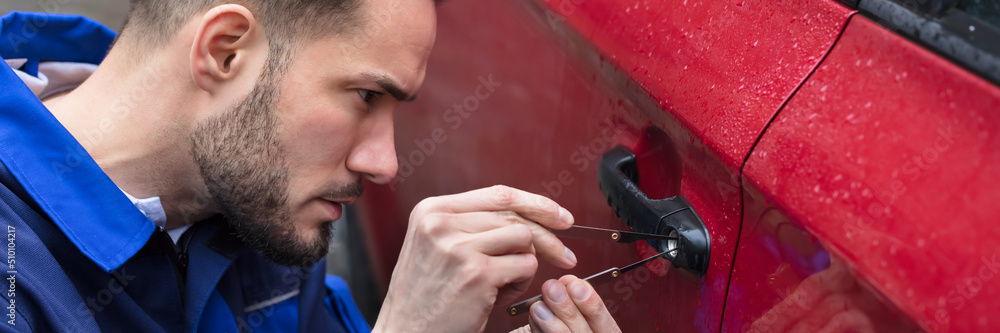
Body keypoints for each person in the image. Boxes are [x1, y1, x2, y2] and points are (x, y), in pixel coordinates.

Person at [0, 0, 621, 332]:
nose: (383, 163)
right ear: (225, 50)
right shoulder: (17, 281)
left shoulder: (255, 203)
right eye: (365, 97)